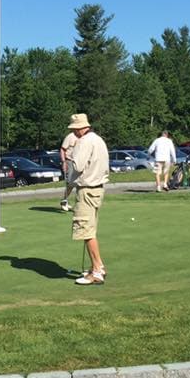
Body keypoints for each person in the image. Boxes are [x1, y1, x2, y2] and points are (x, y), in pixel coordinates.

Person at [66, 114, 110, 286]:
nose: (73, 132)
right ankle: (98, 267)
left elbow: (77, 165)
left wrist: (72, 154)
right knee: (90, 228)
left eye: (74, 129)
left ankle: (97, 270)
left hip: (87, 189)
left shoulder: (84, 141)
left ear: (79, 128)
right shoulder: (99, 139)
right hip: (98, 188)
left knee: (86, 230)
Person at [59, 130, 78, 212]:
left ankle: (79, 204)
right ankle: (64, 201)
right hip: (69, 161)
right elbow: (63, 149)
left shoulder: (85, 137)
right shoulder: (70, 136)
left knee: (80, 183)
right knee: (70, 183)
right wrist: (64, 162)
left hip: (80, 162)